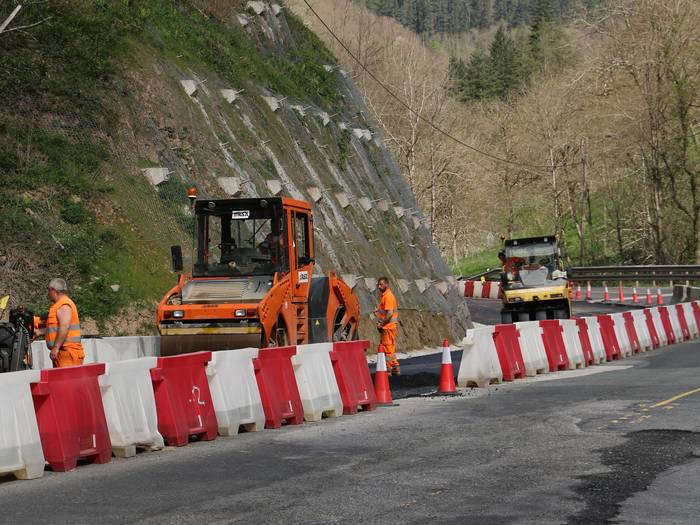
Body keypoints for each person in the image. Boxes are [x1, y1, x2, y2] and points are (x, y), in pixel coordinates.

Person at [45, 278, 84, 368]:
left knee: (67, 382)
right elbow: (55, 328)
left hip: (67, 353)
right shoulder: (59, 305)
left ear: (53, 290)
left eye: (48, 290)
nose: (48, 293)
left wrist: (56, 347)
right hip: (63, 353)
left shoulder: (64, 305)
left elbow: (64, 326)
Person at [373, 277, 400, 375]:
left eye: (381, 284)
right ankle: (395, 367)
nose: (379, 287)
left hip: (388, 327)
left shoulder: (388, 296)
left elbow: (389, 313)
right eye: (378, 285)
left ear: (386, 284)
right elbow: (385, 312)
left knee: (387, 348)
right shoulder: (385, 296)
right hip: (391, 327)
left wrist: (382, 323)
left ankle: (388, 369)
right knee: (391, 348)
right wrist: (378, 312)